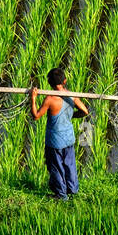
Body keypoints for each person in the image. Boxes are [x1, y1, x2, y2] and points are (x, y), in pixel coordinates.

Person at [30, 67, 90, 200]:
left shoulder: (50, 99)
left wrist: (33, 99)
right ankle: (72, 189)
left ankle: (61, 194)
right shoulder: (72, 95)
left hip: (55, 141)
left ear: (50, 83)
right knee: (69, 164)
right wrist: (72, 116)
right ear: (64, 81)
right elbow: (85, 111)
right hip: (69, 138)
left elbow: (36, 116)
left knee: (56, 166)